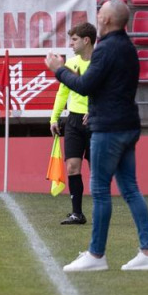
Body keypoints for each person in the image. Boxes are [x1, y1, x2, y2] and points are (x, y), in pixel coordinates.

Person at [47, 0, 148, 273]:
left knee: (100, 191)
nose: (97, 17)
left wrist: (58, 70)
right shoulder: (128, 48)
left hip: (108, 128)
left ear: (108, 20)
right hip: (128, 126)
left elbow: (84, 85)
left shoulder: (106, 49)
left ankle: (96, 254)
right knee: (130, 188)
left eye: (100, 14)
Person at [51, 21, 96, 226]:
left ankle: (100, 212)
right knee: (72, 167)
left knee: (97, 171)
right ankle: (77, 213)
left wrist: (94, 110)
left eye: (74, 39)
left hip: (95, 121)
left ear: (86, 40)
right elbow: (62, 93)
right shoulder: (71, 63)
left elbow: (107, 92)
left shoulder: (99, 63)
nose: (71, 44)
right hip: (74, 121)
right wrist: (54, 118)